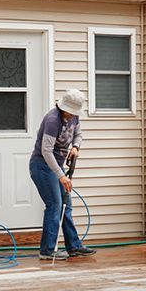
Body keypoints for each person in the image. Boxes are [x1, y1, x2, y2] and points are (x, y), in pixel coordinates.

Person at [29, 89, 95, 261]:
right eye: (71, 112)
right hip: (42, 166)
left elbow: (79, 135)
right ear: (63, 107)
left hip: (56, 167)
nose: (73, 115)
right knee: (55, 205)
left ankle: (74, 246)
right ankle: (47, 250)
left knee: (67, 205)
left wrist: (75, 146)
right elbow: (46, 151)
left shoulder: (74, 117)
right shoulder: (52, 120)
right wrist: (61, 175)